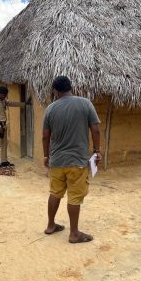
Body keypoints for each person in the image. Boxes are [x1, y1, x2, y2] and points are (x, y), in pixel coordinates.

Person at [42, 76, 102, 244]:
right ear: (70, 88)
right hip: (77, 162)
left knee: (55, 193)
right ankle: (74, 234)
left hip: (57, 161)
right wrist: (98, 151)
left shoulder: (50, 109)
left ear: (55, 91)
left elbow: (45, 136)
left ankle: (51, 225)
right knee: (75, 197)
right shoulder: (85, 104)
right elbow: (96, 130)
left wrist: (46, 155)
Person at [0, 86, 24, 168]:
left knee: (4, 144)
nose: (5, 97)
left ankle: (4, 161)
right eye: (4, 95)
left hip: (3, 125)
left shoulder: (3, 100)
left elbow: (10, 103)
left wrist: (22, 104)